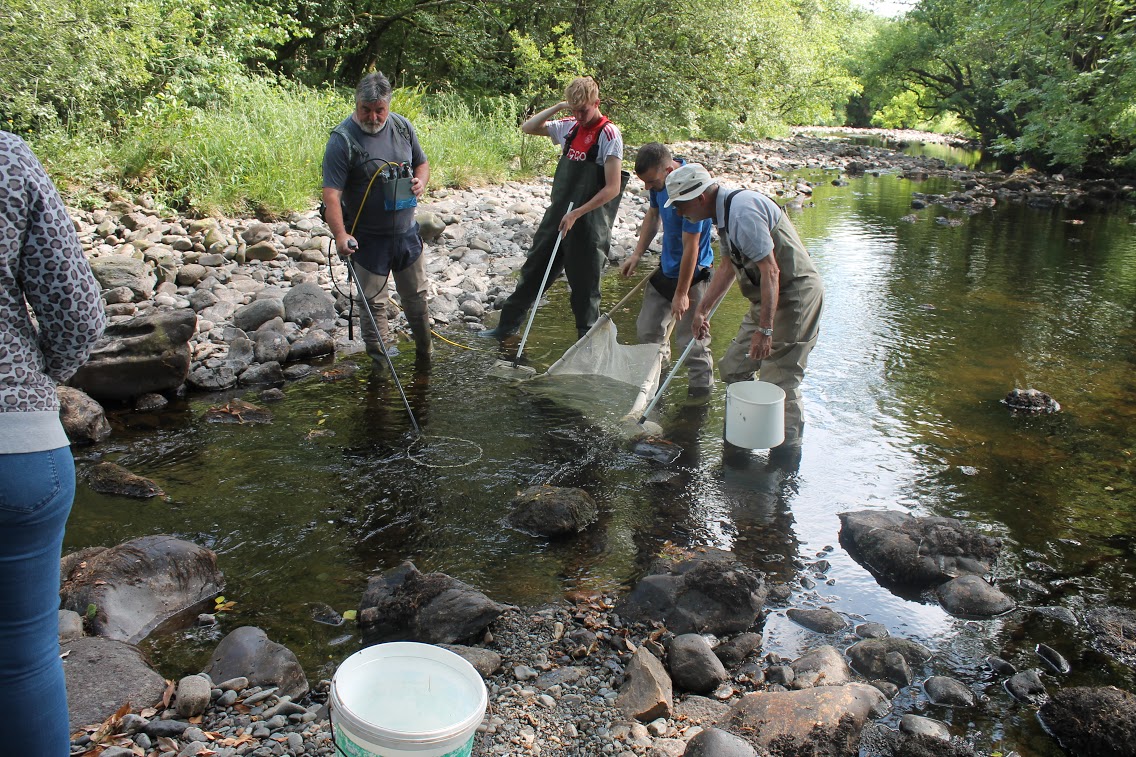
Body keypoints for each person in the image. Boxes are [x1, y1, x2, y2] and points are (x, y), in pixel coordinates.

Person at [0, 131, 107, 755]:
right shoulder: (7, 159)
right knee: (22, 661)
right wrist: (41, 377)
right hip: (15, 445)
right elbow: (77, 312)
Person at [664, 162, 824, 455]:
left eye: (681, 205)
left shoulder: (743, 212)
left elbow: (771, 272)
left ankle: (785, 459)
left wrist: (765, 330)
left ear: (700, 197)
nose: (678, 213)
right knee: (735, 367)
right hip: (767, 298)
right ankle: (743, 444)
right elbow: (728, 265)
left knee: (780, 381)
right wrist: (702, 309)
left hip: (795, 297)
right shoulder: (724, 215)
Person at [480, 76, 628, 340]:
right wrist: (560, 107)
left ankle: (585, 340)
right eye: (574, 110)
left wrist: (577, 213)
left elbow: (612, 188)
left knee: (585, 287)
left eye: (583, 110)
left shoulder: (609, 135)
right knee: (534, 270)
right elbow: (528, 127)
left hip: (589, 224)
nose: (579, 116)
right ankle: (506, 328)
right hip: (558, 215)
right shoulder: (569, 127)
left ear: (597, 103)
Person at [322, 71, 432, 362]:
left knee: (417, 298)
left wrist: (421, 181)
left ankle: (426, 355)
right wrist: (341, 236)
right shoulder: (341, 140)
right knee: (373, 305)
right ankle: (381, 369)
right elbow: (331, 194)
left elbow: (422, 163)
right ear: (356, 105)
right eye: (366, 110)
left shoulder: (403, 127)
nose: (372, 117)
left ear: (388, 106)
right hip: (368, 238)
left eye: (379, 110)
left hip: (407, 233)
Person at [621, 143, 715, 397]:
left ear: (668, 168)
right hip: (666, 267)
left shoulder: (690, 189)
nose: (648, 188)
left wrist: (682, 293)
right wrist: (638, 254)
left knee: (691, 344)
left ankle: (699, 401)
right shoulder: (659, 184)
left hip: (694, 275)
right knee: (648, 332)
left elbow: (691, 247)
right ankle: (656, 388)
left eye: (651, 181)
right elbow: (653, 214)